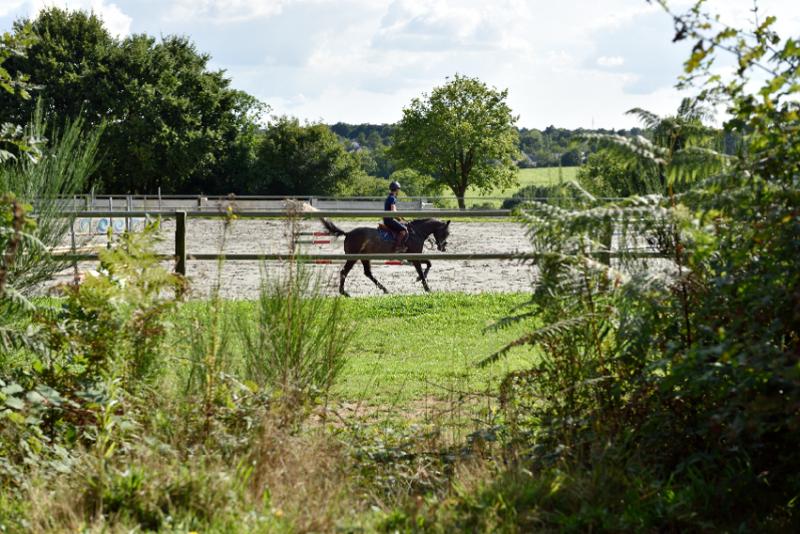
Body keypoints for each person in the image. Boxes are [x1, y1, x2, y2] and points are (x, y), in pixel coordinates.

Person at [383, 180, 408, 252]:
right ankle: (398, 246)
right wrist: (399, 219)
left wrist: (401, 218)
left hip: (387, 219)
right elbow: (393, 212)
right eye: (398, 189)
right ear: (396, 189)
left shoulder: (390, 197)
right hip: (389, 220)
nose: (399, 191)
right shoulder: (392, 198)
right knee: (404, 229)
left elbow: (394, 211)